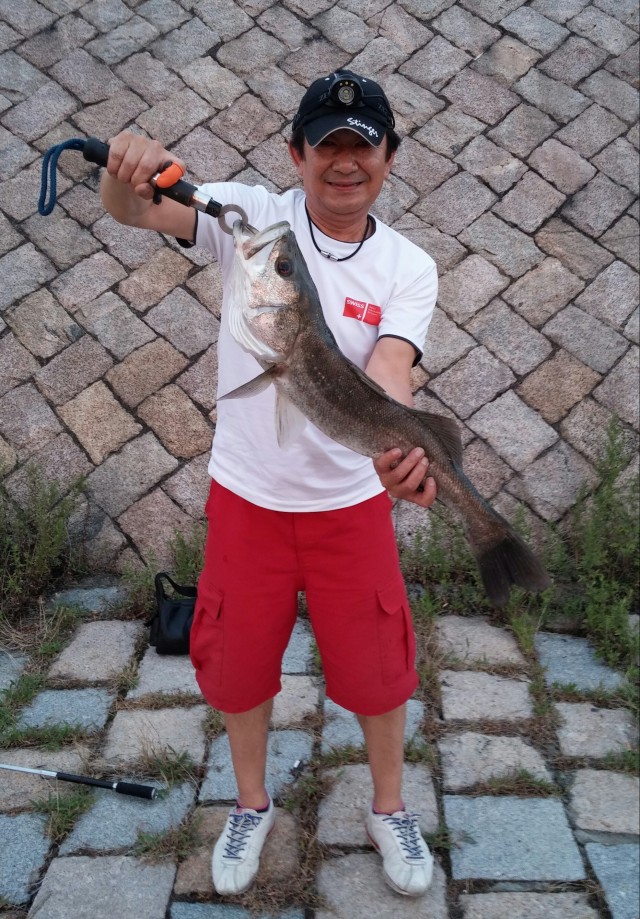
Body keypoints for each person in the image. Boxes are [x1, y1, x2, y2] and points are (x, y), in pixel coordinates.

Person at [101, 70, 438, 899]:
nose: (345, 162)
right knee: (238, 665)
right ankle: (251, 803)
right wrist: (123, 174)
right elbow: (139, 210)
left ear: (390, 158)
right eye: (327, 146)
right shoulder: (252, 220)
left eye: (363, 147)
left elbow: (392, 370)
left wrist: (402, 447)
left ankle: (389, 807)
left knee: (379, 671)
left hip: (350, 507)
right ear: (297, 155)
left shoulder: (408, 266)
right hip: (247, 502)